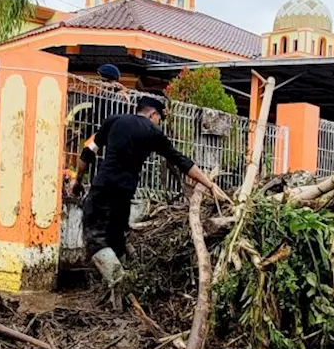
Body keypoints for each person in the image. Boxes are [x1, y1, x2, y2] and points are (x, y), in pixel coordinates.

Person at [68, 95, 230, 288]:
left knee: (95, 239)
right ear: (153, 114)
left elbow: (87, 153)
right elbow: (182, 161)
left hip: (103, 188)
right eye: (159, 119)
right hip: (125, 194)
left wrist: (77, 181)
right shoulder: (153, 133)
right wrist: (210, 185)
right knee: (117, 239)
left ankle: (122, 285)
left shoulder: (114, 121)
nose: (158, 123)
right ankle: (123, 292)